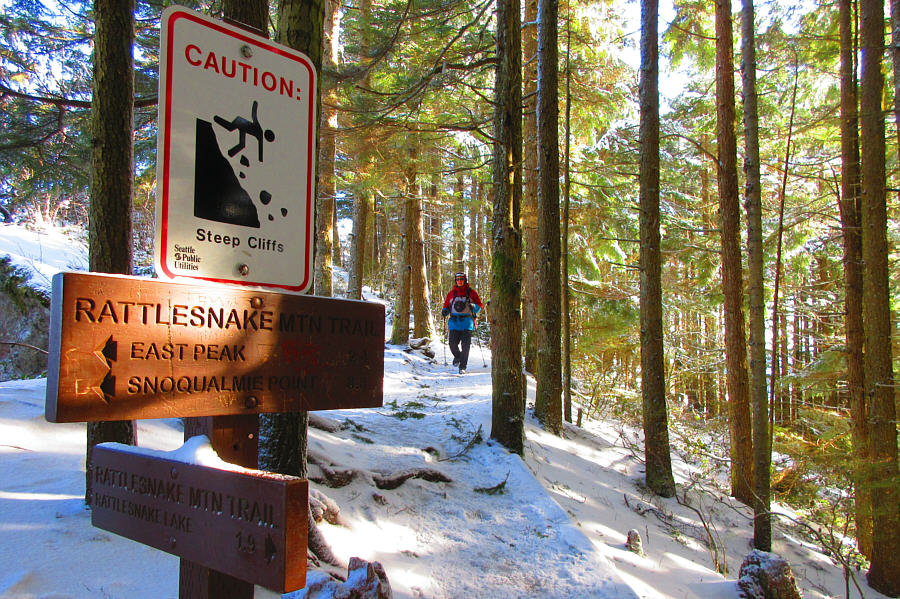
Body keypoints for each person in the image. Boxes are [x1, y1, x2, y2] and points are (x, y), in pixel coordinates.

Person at [441, 272, 483, 374]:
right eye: (458, 279)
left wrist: (475, 307)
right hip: (454, 323)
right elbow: (446, 305)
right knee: (452, 344)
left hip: (467, 323)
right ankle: (458, 357)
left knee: (466, 346)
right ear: (456, 281)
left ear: (465, 280)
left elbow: (480, 306)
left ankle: (462, 367)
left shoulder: (472, 293)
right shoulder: (451, 294)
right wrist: (445, 310)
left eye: (461, 279)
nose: (459, 281)